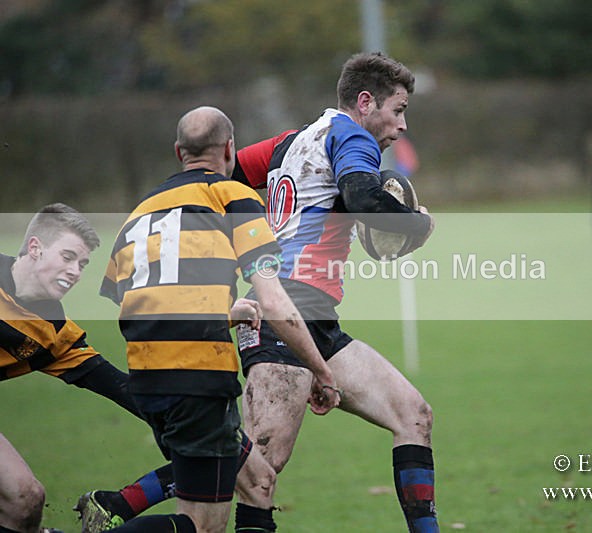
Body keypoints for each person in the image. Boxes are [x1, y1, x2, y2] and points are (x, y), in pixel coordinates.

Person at [98, 106, 340, 533]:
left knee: (257, 482)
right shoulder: (235, 198)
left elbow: (139, 302)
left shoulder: (139, 213)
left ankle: (115, 506)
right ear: (230, 149)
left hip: (148, 381)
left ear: (179, 152)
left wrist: (226, 312)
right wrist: (321, 370)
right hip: (199, 379)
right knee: (201, 525)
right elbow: (277, 303)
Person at [230, 52, 438, 532]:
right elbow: (364, 196)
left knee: (414, 415)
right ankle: (126, 502)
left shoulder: (290, 142)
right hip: (283, 314)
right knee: (257, 468)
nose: (402, 125)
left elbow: (229, 176)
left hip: (315, 319)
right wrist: (417, 223)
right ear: (366, 103)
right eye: (399, 109)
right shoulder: (352, 136)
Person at [0, 203, 141, 533]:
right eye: (67, 257)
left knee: (26, 499)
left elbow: (116, 384)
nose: (76, 271)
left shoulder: (55, 334)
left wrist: (182, 416)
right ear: (35, 248)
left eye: (82, 263)